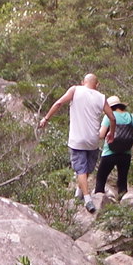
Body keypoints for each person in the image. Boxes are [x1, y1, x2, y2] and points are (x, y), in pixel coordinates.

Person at [38, 72, 110, 209]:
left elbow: (59, 103)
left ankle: (85, 197)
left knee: (81, 170)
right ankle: (82, 194)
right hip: (93, 141)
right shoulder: (101, 97)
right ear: (97, 85)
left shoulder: (75, 90)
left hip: (77, 140)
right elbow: (111, 117)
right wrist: (111, 132)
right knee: (86, 169)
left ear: (83, 82)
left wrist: (46, 118)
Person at [94, 96, 133, 209]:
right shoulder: (130, 116)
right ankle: (123, 207)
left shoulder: (109, 116)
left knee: (101, 179)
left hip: (109, 152)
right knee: (122, 181)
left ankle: (98, 206)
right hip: (126, 153)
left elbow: (101, 134)